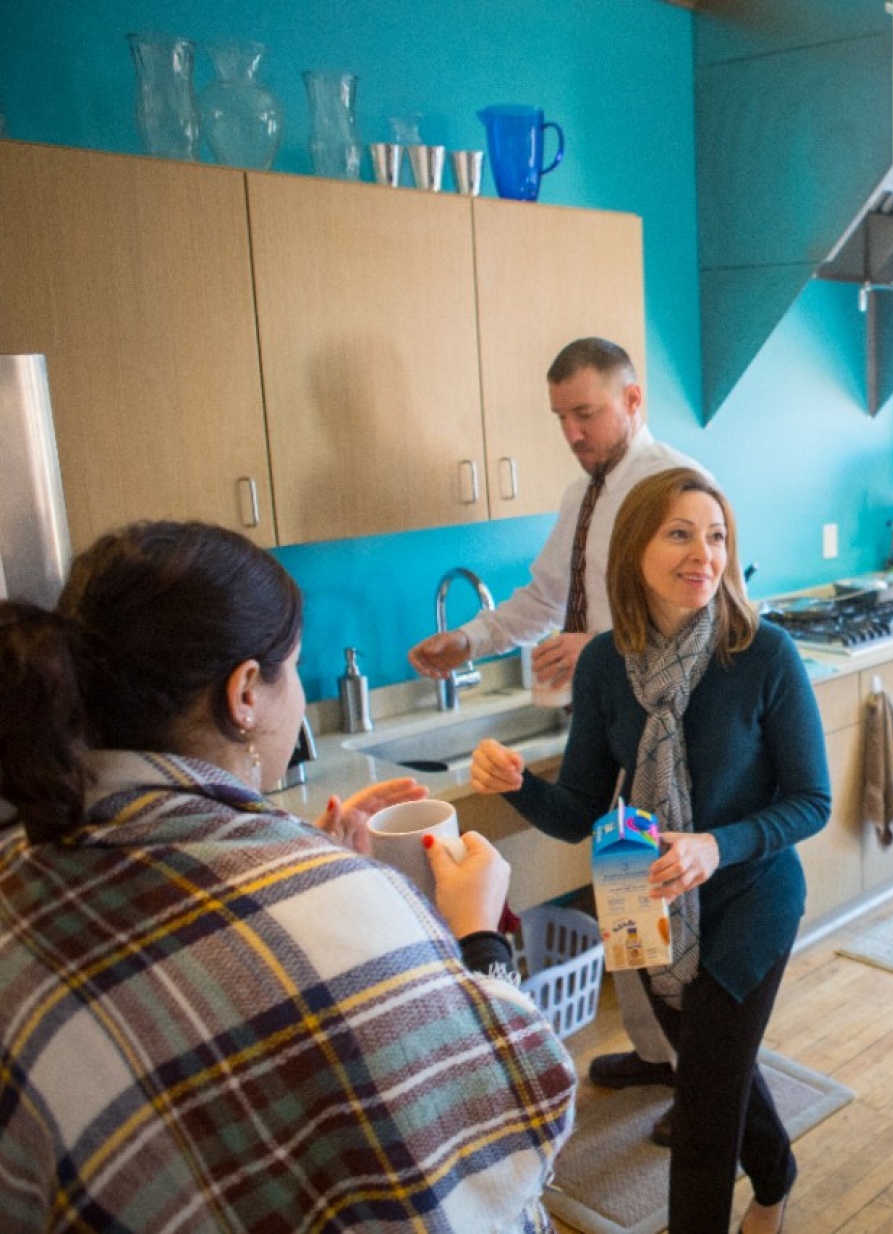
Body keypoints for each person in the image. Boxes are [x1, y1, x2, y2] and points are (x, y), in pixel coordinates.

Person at [0, 521, 577, 1230]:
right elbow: (511, 1123)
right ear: (245, 692)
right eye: (295, 670)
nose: (299, 698)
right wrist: (477, 938)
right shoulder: (351, 900)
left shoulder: (23, 861)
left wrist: (309, 861)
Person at [471, 467, 829, 1234]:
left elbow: (811, 802)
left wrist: (715, 845)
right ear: (635, 548)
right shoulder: (604, 663)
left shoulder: (763, 654)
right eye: (680, 533)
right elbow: (575, 812)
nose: (705, 553)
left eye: (717, 536)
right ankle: (778, 1171)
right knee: (715, 1065)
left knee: (700, 1111)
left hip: (749, 902)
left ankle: (754, 1187)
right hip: (646, 900)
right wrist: (515, 785)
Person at [410, 335, 699, 1092]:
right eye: (560, 418)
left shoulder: (676, 489)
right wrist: (468, 638)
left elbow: (690, 618)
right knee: (625, 892)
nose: (572, 433)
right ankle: (658, 1053)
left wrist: (598, 648)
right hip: (605, 724)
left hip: (666, 733)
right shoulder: (582, 495)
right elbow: (543, 599)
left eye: (586, 413)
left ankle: (699, 1072)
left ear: (632, 402)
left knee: (672, 905)